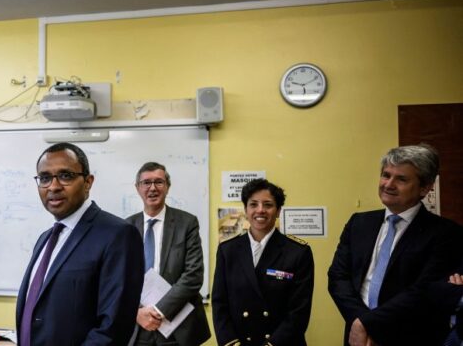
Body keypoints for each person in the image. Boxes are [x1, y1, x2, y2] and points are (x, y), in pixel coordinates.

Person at [327, 144, 463, 346]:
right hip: (359, 337)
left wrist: (368, 323)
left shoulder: (446, 233)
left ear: (425, 187)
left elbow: (423, 291)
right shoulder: (359, 223)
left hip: (410, 336)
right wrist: (359, 322)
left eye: (401, 179)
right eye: (386, 175)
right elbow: (338, 278)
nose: (388, 184)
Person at [15, 142, 144, 346]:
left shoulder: (118, 235)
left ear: (88, 182)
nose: (54, 186)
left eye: (66, 176)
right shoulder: (45, 239)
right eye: (45, 178)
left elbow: (113, 328)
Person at [212, 179, 314, 346]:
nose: (260, 210)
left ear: (278, 210)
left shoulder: (298, 252)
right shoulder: (227, 250)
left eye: (268, 205)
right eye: (253, 204)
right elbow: (220, 305)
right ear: (245, 209)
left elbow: (298, 312)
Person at [125, 162, 211, 346]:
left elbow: (194, 275)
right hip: (137, 329)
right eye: (146, 182)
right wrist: (136, 313)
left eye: (159, 182)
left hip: (178, 327)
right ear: (137, 188)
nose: (153, 188)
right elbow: (118, 280)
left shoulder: (187, 223)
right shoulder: (125, 228)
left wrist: (159, 310)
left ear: (167, 186)